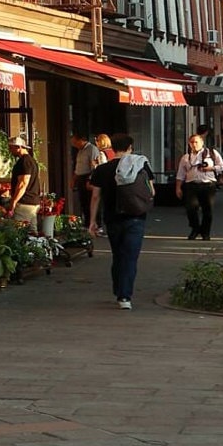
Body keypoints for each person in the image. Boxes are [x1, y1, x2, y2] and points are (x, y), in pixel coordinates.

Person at [88, 132, 154, 311]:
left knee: (118, 255)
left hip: (112, 218)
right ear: (130, 148)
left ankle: (119, 289)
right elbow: (152, 191)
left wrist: (93, 221)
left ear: (112, 148)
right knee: (130, 257)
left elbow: (95, 196)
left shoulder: (102, 169)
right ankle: (125, 296)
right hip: (136, 217)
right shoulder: (141, 164)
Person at [175, 133, 223, 241]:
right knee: (190, 208)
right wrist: (178, 188)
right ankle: (195, 228)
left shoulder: (211, 153)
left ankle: (205, 233)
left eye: (196, 142)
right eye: (192, 142)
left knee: (208, 210)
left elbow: (222, 166)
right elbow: (180, 174)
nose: (194, 144)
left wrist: (211, 168)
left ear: (202, 142)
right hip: (192, 185)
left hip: (208, 184)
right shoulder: (186, 157)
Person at [3, 130, 42, 228]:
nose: (9, 150)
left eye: (11, 148)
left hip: (25, 203)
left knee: (19, 231)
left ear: (18, 147)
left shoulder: (24, 162)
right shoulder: (31, 160)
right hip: (33, 202)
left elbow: (23, 184)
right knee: (32, 232)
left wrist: (13, 202)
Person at [70, 130, 105, 230]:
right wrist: (73, 179)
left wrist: (90, 180)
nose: (74, 145)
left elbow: (94, 166)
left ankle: (98, 224)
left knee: (93, 200)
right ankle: (87, 223)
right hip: (80, 176)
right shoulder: (80, 151)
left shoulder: (92, 149)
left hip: (88, 176)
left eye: (75, 142)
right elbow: (78, 167)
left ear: (81, 140)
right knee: (84, 201)